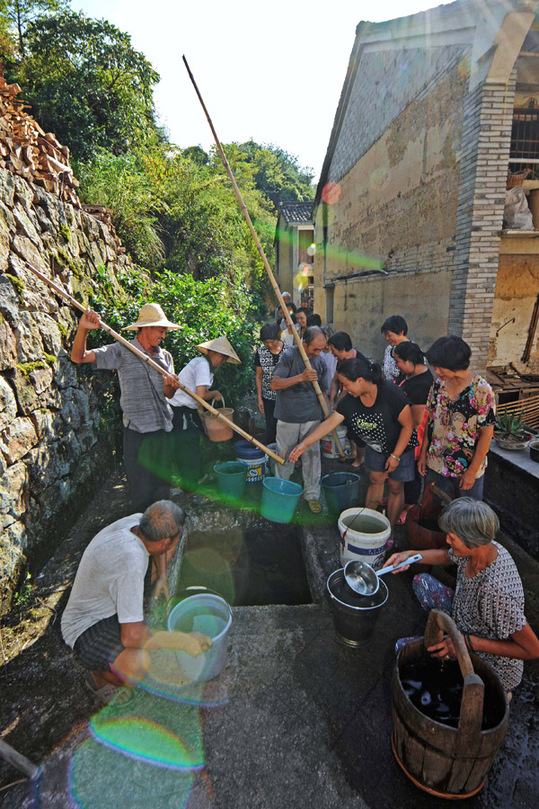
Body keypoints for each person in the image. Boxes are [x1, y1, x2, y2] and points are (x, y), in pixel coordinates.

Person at [61, 501, 212, 701]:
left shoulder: (139, 523)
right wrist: (182, 641)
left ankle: (125, 630)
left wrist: (162, 576)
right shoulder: (131, 562)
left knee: (162, 558)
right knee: (138, 667)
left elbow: (161, 550)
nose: (175, 546)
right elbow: (131, 637)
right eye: (175, 542)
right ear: (165, 541)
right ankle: (99, 677)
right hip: (86, 625)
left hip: (109, 601)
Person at [385, 498, 539, 694]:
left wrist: (465, 643)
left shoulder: (495, 592)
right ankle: (450, 637)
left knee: (402, 649)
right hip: (467, 618)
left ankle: (497, 691)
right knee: (421, 582)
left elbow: (533, 649)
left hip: (489, 660)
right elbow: (446, 556)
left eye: (452, 537)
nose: (447, 541)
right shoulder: (485, 546)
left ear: (472, 540)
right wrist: (411, 555)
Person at [71, 304, 181, 513]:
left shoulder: (166, 357)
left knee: (162, 489)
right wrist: (83, 328)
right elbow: (79, 357)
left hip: (164, 431)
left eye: (165, 331)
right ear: (146, 327)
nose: (164, 335)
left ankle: (161, 528)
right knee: (141, 493)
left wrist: (171, 385)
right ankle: (141, 529)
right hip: (138, 434)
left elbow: (168, 395)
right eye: (161, 330)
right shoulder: (122, 351)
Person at [289, 357, 417, 534]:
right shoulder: (350, 401)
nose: (345, 389)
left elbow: (408, 426)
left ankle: (390, 531)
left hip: (400, 446)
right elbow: (330, 423)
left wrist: (395, 456)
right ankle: (368, 524)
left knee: (395, 487)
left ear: (360, 380)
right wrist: (304, 443)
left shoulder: (391, 394)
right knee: (375, 480)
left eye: (346, 384)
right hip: (375, 447)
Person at [418, 336, 496, 500]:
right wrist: (423, 454)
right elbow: (431, 421)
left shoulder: (482, 391)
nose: (436, 371)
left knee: (466, 512)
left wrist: (472, 471)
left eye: (440, 367)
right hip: (436, 463)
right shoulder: (439, 384)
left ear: (455, 365)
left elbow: (486, 434)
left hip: (466, 469)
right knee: (435, 509)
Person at [170, 336, 241, 493]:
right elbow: (201, 395)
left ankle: (198, 477)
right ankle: (189, 487)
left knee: (193, 443)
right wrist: (214, 393)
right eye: (222, 357)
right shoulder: (202, 365)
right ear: (212, 353)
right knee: (186, 447)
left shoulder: (205, 368)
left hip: (188, 410)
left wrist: (202, 419)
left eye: (226, 358)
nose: (223, 361)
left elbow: (198, 400)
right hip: (180, 410)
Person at [270, 326, 330, 513]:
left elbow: (324, 391)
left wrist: (327, 415)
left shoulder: (320, 361)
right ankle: (281, 491)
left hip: (312, 416)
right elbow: (274, 384)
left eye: (321, 349)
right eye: (315, 349)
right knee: (284, 456)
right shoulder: (289, 356)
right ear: (304, 344)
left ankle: (312, 494)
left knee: (312, 457)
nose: (318, 353)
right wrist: (301, 377)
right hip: (288, 416)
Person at [393, 341, 433, 504]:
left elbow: (416, 420)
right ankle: (397, 497)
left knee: (411, 473)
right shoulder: (407, 373)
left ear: (410, 361)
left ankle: (409, 506)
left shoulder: (422, 384)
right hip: (400, 429)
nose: (396, 365)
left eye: (398, 361)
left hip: (413, 435)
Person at [328, 331, 369, 468]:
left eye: (333, 350)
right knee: (349, 426)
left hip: (359, 400)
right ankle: (353, 452)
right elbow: (334, 381)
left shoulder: (359, 362)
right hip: (347, 399)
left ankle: (361, 458)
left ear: (342, 349)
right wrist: (332, 400)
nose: (332, 353)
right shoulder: (341, 362)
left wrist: (336, 405)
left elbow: (346, 390)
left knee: (358, 430)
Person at [255, 322, 288, 445]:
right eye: (266, 342)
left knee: (285, 427)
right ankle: (271, 452)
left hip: (286, 397)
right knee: (271, 427)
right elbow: (258, 376)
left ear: (278, 338)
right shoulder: (260, 352)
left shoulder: (289, 351)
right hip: (268, 397)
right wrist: (259, 398)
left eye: (272, 342)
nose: (269, 345)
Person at [381, 315, 410, 381]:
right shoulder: (389, 348)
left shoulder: (413, 350)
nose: (387, 338)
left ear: (401, 332)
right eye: (385, 335)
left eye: (389, 335)